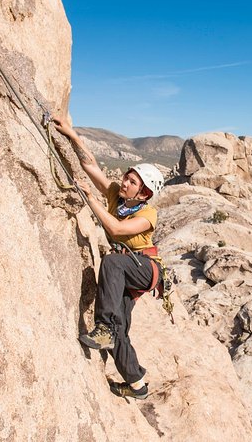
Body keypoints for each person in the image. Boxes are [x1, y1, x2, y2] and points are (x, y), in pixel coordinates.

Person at [53, 116, 164, 400]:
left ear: (144, 192)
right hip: (128, 272)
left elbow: (115, 229)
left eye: (132, 182)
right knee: (119, 330)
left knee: (112, 262)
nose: (124, 182)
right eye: (127, 178)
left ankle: (103, 327)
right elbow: (90, 166)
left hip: (144, 269)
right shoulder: (117, 196)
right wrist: (72, 135)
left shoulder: (147, 214)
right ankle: (137, 384)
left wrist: (91, 200)